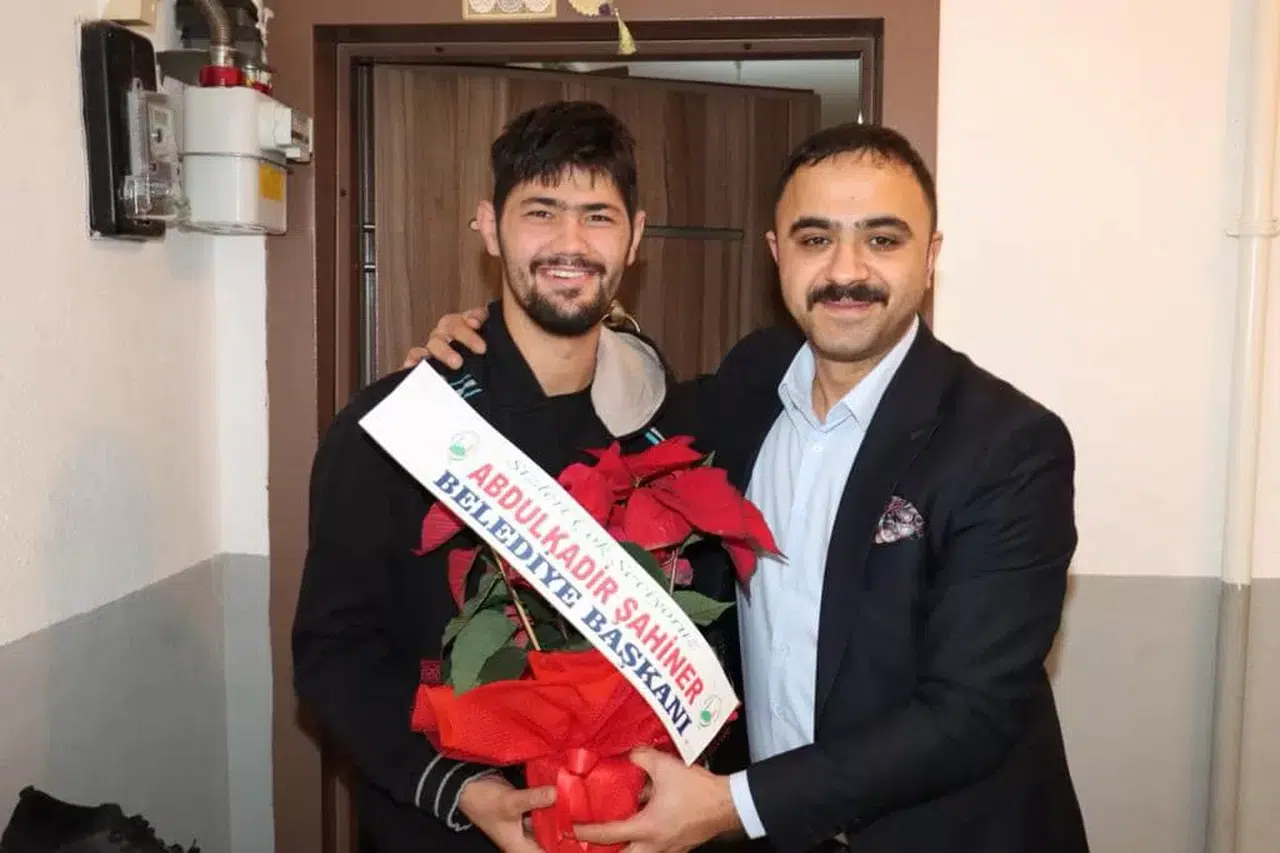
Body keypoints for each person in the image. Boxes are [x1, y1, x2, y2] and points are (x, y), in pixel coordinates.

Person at [407, 123, 1090, 853]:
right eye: (815, 238)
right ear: (776, 254)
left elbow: (970, 715)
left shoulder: (1009, 445)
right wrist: (491, 356)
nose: (847, 270)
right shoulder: (751, 382)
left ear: (930, 257)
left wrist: (736, 804)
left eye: (882, 239)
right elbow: (619, 410)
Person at [292, 100, 731, 853]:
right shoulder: (398, 427)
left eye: (598, 216)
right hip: (440, 830)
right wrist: (460, 790)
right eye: (541, 212)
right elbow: (334, 656)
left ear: (635, 238)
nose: (570, 242)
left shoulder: (674, 427)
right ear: (490, 227)